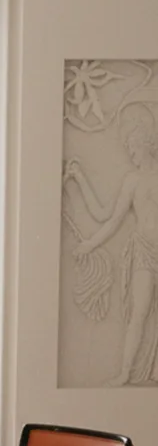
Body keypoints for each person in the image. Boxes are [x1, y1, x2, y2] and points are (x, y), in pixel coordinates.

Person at [66, 104, 158, 384]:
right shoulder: (132, 180)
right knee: (139, 313)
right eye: (127, 147)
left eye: (131, 145)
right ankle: (124, 373)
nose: (129, 152)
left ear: (145, 140)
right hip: (144, 252)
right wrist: (81, 179)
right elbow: (107, 217)